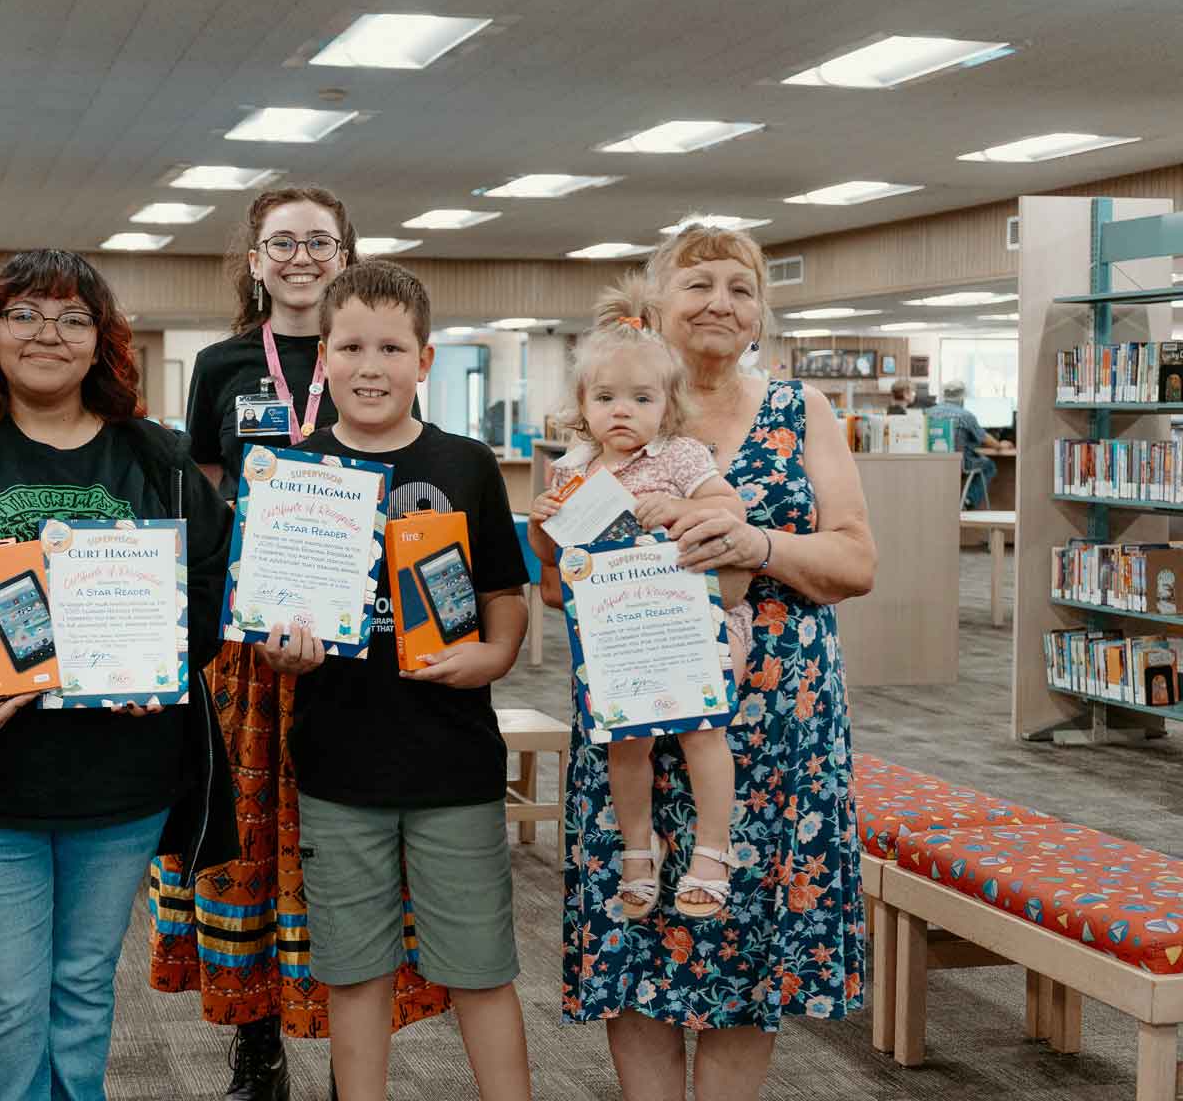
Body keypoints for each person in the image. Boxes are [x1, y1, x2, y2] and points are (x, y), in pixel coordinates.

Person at [0, 249, 239, 1101]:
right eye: (25, 314)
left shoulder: (158, 459)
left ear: (100, 343)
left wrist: (171, 661)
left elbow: (212, 581)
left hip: (123, 778)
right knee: (2, 1005)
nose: (48, 334)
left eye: (73, 319)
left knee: (81, 993)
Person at [559, 224, 876, 1101]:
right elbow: (557, 584)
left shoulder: (799, 410)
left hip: (775, 729)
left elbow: (856, 562)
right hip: (636, 711)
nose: (720, 303)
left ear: (761, 312)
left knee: (749, 944)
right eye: (698, 283)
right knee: (636, 938)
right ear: (655, 302)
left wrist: (758, 542)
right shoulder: (615, 414)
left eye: (741, 288)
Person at [160, 186, 448, 1100]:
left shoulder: (373, 350)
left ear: (346, 253)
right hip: (249, 643)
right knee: (247, 840)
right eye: (280, 242)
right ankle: (257, 1043)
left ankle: (355, 1057)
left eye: (319, 241)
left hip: (361, 635)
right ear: (253, 259)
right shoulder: (220, 364)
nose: (299, 256)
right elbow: (204, 501)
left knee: (355, 838)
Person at [267, 261, 531, 1101]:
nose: (369, 364)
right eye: (350, 346)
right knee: (354, 972)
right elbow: (270, 619)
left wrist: (494, 656)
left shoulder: (467, 463)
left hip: (452, 761)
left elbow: (504, 595)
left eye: (392, 347)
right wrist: (281, 653)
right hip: (338, 765)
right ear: (324, 361)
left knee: (481, 968)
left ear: (425, 360)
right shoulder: (289, 474)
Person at [526, 277, 754, 924]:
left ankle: (713, 848)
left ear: (668, 404)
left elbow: (729, 510)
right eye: (605, 398)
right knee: (627, 744)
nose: (621, 411)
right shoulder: (574, 467)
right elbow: (551, 557)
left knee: (702, 729)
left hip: (692, 626)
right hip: (618, 635)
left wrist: (682, 506)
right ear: (582, 404)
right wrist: (544, 518)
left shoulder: (681, 456)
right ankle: (638, 847)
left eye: (640, 398)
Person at [928, 381, 1001, 508]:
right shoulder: (966, 415)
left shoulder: (927, 412)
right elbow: (986, 440)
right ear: (963, 397)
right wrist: (1000, 445)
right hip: (960, 463)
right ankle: (968, 501)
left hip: (932, 462)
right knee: (989, 466)